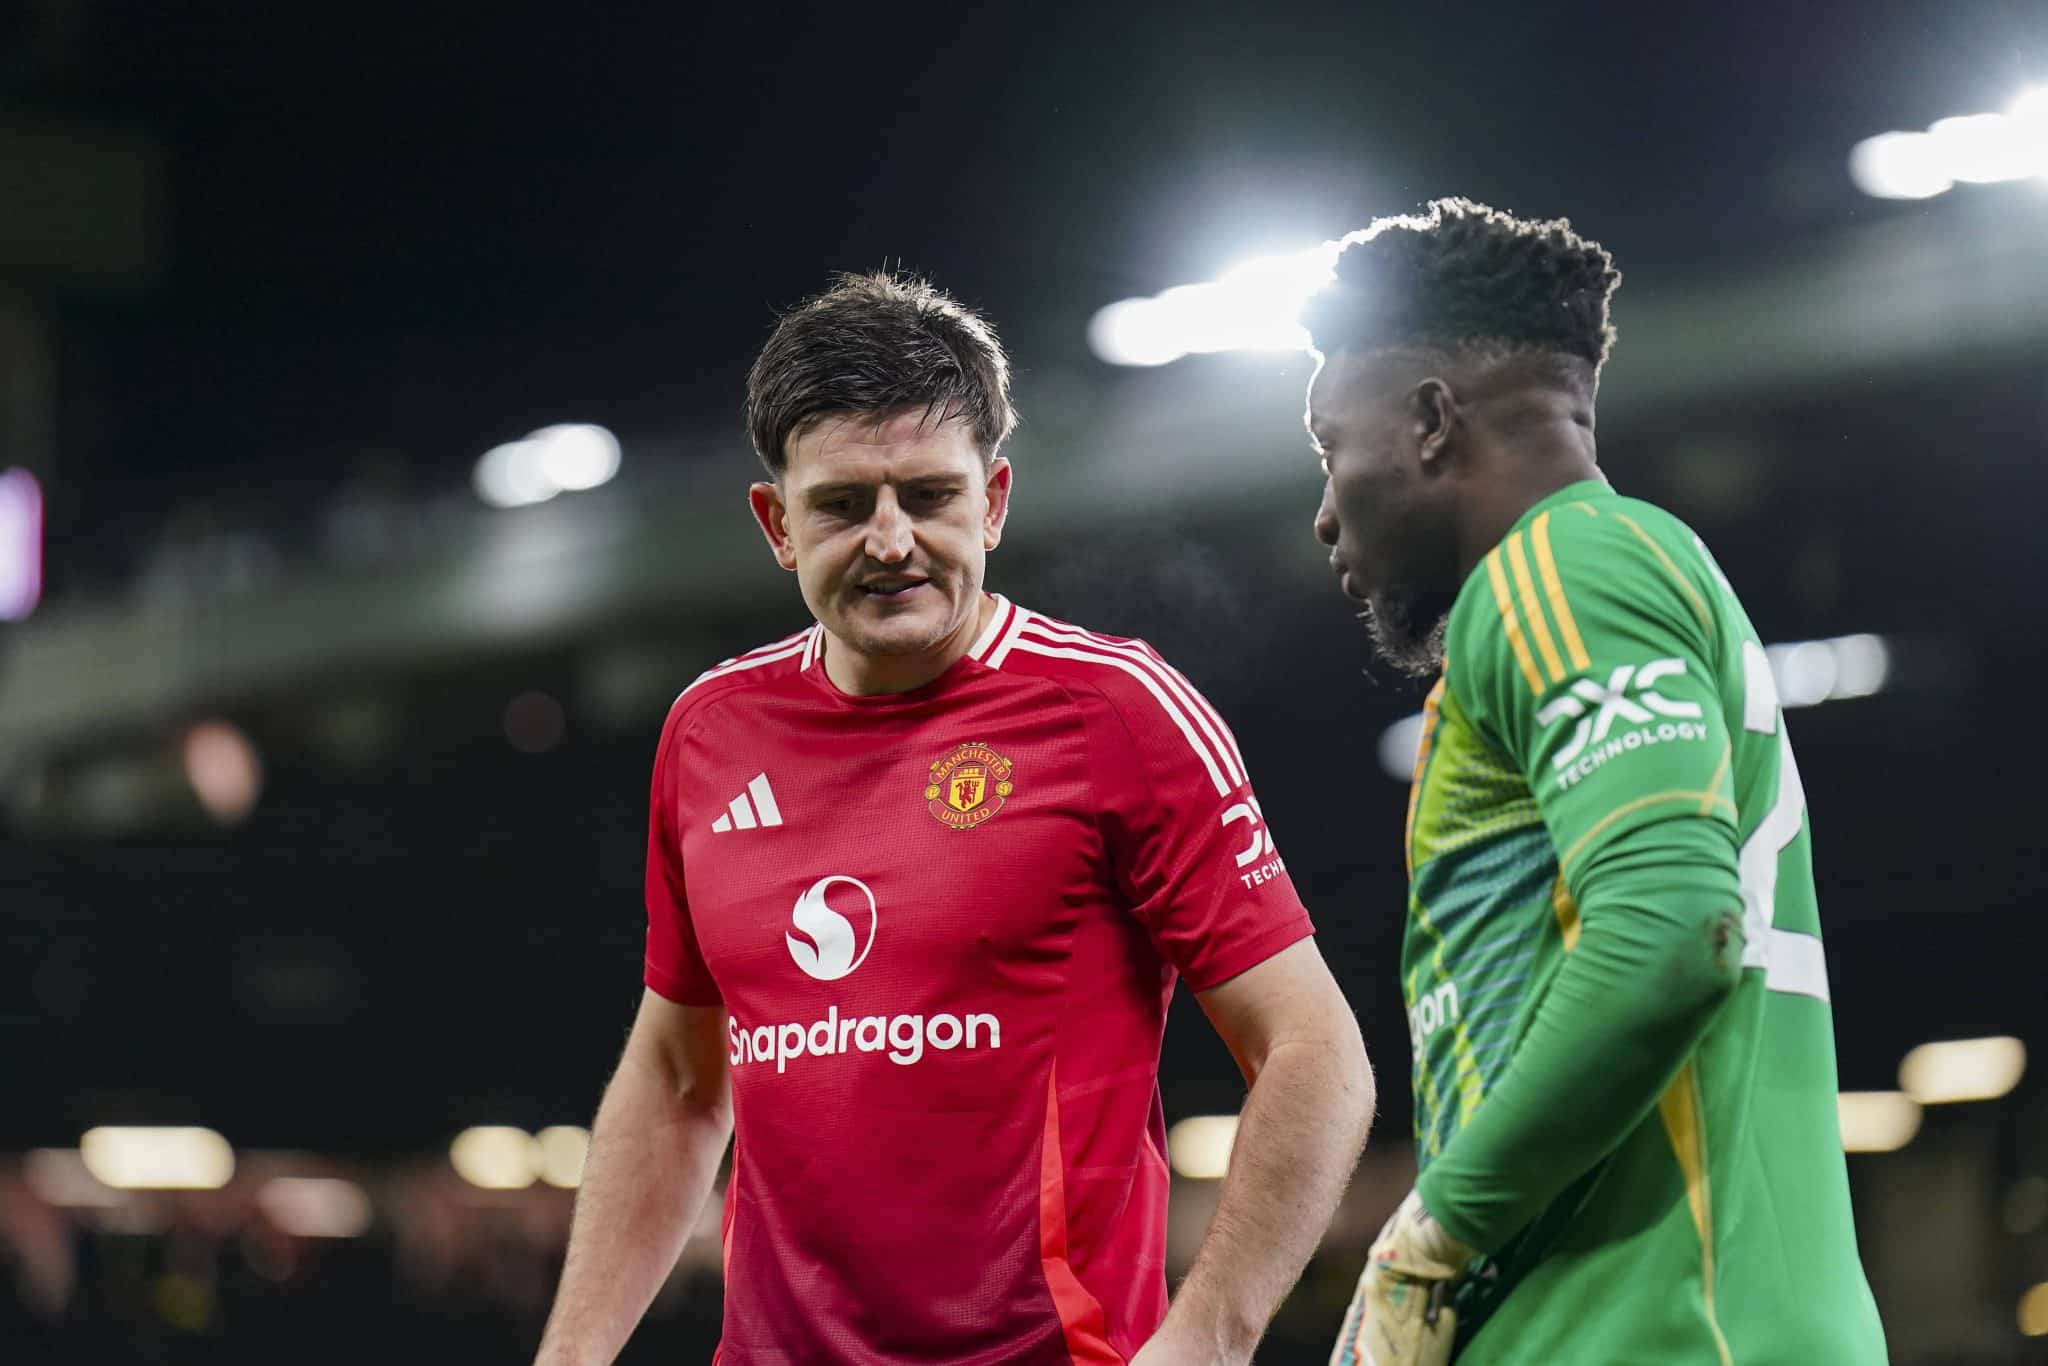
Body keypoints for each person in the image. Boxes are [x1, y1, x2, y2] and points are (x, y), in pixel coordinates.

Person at [534, 271, 1374, 1365]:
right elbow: (679, 1082)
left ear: (995, 502)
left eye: (929, 496)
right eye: (843, 505)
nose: (890, 542)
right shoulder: (709, 731)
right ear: (776, 523)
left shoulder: (1115, 710)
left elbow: (1315, 1051)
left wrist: (1204, 1343)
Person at [1302, 200, 1886, 1365]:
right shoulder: (1595, 577)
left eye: (1328, 449)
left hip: (1656, 1332)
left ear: (1429, 421)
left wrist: (1427, 1234)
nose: (1322, 513)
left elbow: (1671, 928)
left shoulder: (1559, 565)